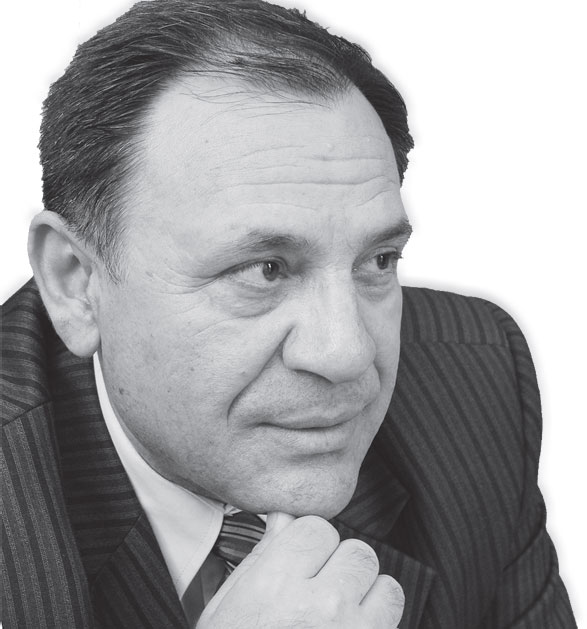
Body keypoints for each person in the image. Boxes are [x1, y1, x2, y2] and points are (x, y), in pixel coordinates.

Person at [1, 0, 577, 627]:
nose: (347, 353)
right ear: (75, 282)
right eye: (265, 269)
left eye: (378, 260)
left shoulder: (474, 384)